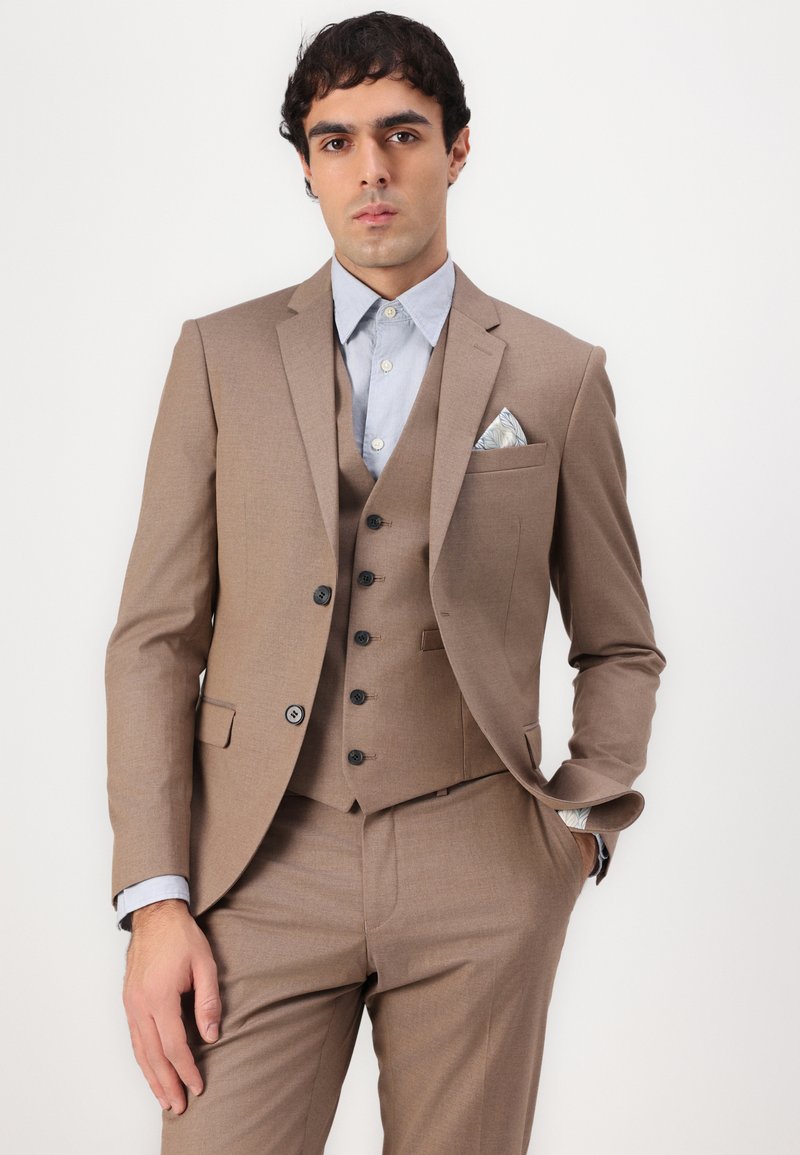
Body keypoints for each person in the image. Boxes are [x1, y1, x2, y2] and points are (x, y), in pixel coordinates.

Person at [105, 11, 666, 1153]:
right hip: (257, 866)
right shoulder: (218, 356)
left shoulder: (557, 376)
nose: (371, 169)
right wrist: (155, 899)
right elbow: (156, 639)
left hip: (481, 864)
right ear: (306, 166)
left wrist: (581, 828)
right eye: (336, 140)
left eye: (402, 134)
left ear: (455, 150)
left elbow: (617, 642)